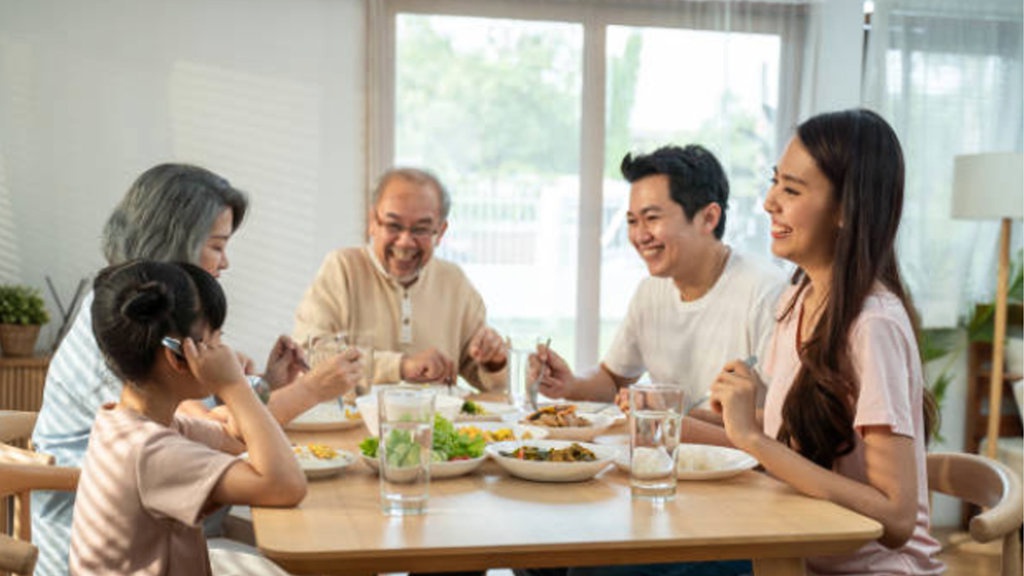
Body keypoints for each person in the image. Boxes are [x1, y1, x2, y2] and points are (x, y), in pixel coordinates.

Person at [32, 163, 363, 576]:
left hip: (171, 527)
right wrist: (309, 389)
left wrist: (262, 385)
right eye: (218, 245)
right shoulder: (125, 332)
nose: (225, 263)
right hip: (114, 551)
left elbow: (218, 429)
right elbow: (254, 461)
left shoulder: (143, 321)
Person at [710, 108, 943, 573]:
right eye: (775, 182)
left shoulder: (872, 326)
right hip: (799, 554)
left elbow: (896, 519)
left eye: (791, 190)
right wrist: (659, 418)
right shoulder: (799, 300)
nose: (769, 202)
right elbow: (793, 440)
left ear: (844, 210)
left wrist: (751, 437)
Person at [69, 259, 310, 575]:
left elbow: (233, 437)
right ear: (178, 356)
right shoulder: (149, 451)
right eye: (215, 341)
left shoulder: (136, 422)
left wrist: (261, 386)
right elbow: (286, 485)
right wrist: (233, 384)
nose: (224, 352)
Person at [534, 145, 784, 430]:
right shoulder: (650, 292)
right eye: (632, 221)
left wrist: (673, 411)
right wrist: (570, 384)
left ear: (708, 218)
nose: (640, 236)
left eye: (652, 218)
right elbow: (613, 380)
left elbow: (789, 421)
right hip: (671, 462)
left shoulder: (766, 292)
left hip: (746, 470)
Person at [292, 167, 507, 392]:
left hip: (434, 424)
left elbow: (491, 383)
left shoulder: (454, 280)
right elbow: (309, 354)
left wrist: (493, 361)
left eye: (421, 229)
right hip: (354, 423)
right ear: (372, 222)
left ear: (441, 231)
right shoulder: (342, 267)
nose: (405, 242)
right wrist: (401, 367)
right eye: (393, 225)